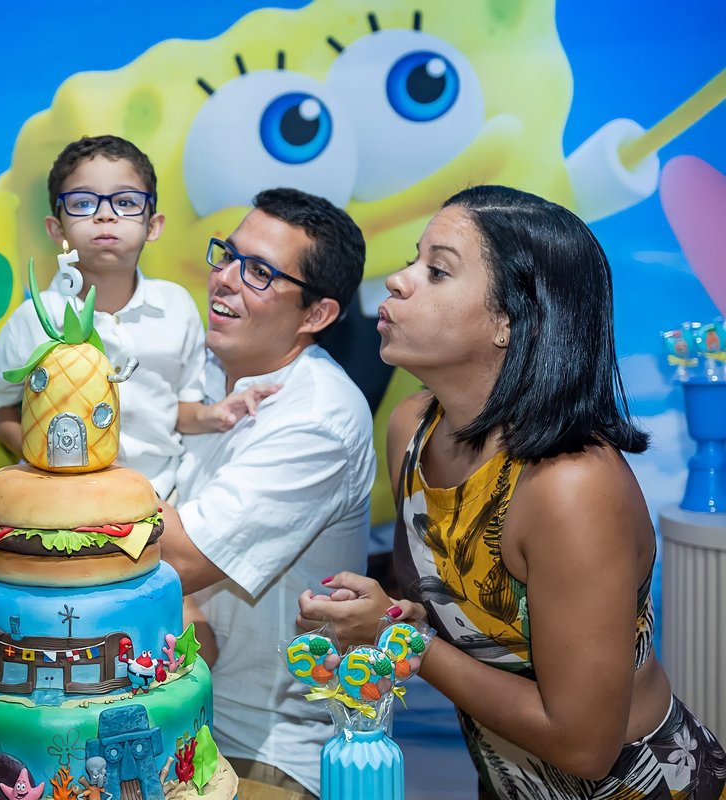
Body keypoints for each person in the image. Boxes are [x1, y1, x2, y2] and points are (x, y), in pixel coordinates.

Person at [299, 185, 726, 798]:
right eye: (413, 260)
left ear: (509, 320)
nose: (397, 280)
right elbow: (446, 598)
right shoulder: (412, 428)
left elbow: (583, 745)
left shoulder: (571, 488)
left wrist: (401, 640)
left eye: (437, 270)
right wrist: (374, 610)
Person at [158, 187, 375, 798]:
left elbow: (179, 560)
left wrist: (85, 477)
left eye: (258, 272)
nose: (224, 279)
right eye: (226, 255)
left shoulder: (318, 415)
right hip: (164, 718)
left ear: (316, 315)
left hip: (257, 747)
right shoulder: (191, 368)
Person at [0, 135, 274, 498]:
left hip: (161, 497)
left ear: (153, 226)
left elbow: (181, 409)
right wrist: (39, 455)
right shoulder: (35, 319)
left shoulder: (177, 307)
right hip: (65, 501)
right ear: (57, 230)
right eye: (84, 202)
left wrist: (215, 415)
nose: (106, 214)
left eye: (126, 202)